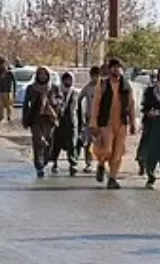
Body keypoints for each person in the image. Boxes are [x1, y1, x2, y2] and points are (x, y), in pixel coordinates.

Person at [89, 57, 137, 190]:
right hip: (106, 123)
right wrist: (93, 123)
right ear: (110, 69)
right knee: (107, 149)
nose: (117, 69)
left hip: (121, 123)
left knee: (118, 152)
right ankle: (101, 163)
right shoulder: (103, 84)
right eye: (114, 67)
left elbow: (131, 104)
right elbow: (96, 104)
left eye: (119, 67)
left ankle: (112, 178)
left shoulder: (126, 86)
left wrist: (133, 122)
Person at [22, 67, 61, 178]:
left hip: (49, 119)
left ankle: (44, 162)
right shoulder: (31, 88)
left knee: (48, 141)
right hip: (35, 119)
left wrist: (53, 102)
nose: (42, 77)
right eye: (40, 74)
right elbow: (26, 104)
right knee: (38, 141)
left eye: (45, 75)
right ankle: (38, 166)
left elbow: (60, 101)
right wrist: (25, 119)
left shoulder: (53, 88)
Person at [49, 71, 82, 176]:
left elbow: (79, 110)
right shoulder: (57, 92)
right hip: (59, 122)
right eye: (66, 79)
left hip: (72, 122)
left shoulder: (76, 93)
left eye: (69, 79)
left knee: (72, 144)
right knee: (57, 144)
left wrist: (81, 124)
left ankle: (73, 164)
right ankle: (54, 163)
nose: (68, 81)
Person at [78, 65, 101, 173]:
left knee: (102, 142)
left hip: (101, 119)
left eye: (97, 76)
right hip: (89, 118)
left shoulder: (104, 87)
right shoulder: (87, 87)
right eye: (93, 76)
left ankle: (101, 163)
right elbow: (79, 98)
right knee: (88, 142)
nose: (95, 78)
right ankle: (88, 163)